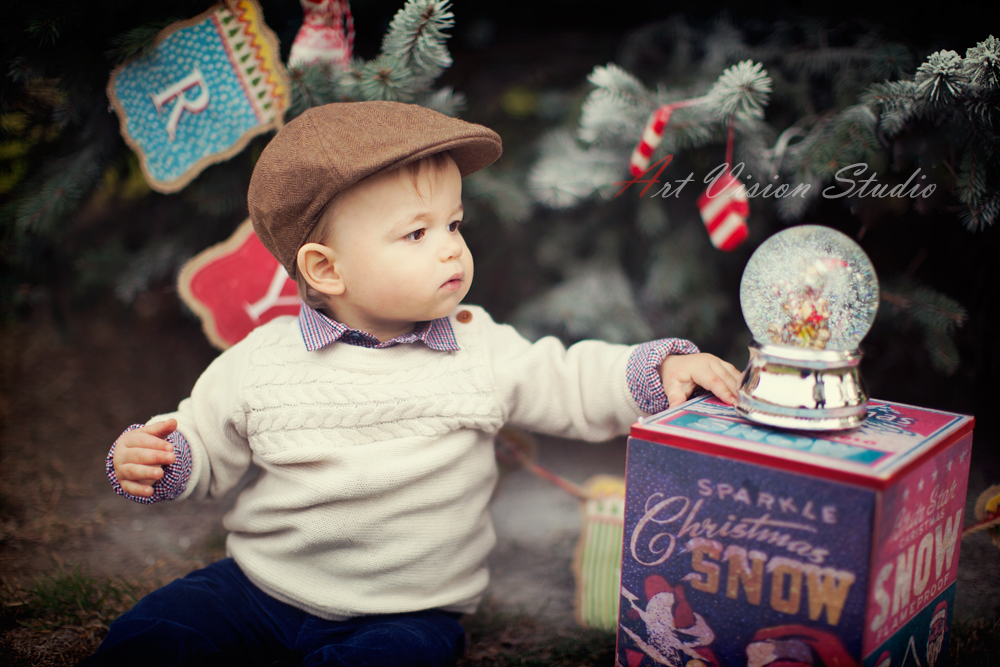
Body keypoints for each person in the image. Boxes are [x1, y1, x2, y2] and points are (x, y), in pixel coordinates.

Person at [83, 101, 741, 667]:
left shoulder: (477, 346)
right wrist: (162, 458)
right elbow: (204, 436)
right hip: (262, 587)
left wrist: (655, 372)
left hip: (405, 609)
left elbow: (567, 379)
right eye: (417, 233)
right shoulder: (263, 361)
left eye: (454, 224)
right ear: (326, 268)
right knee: (157, 633)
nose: (451, 248)